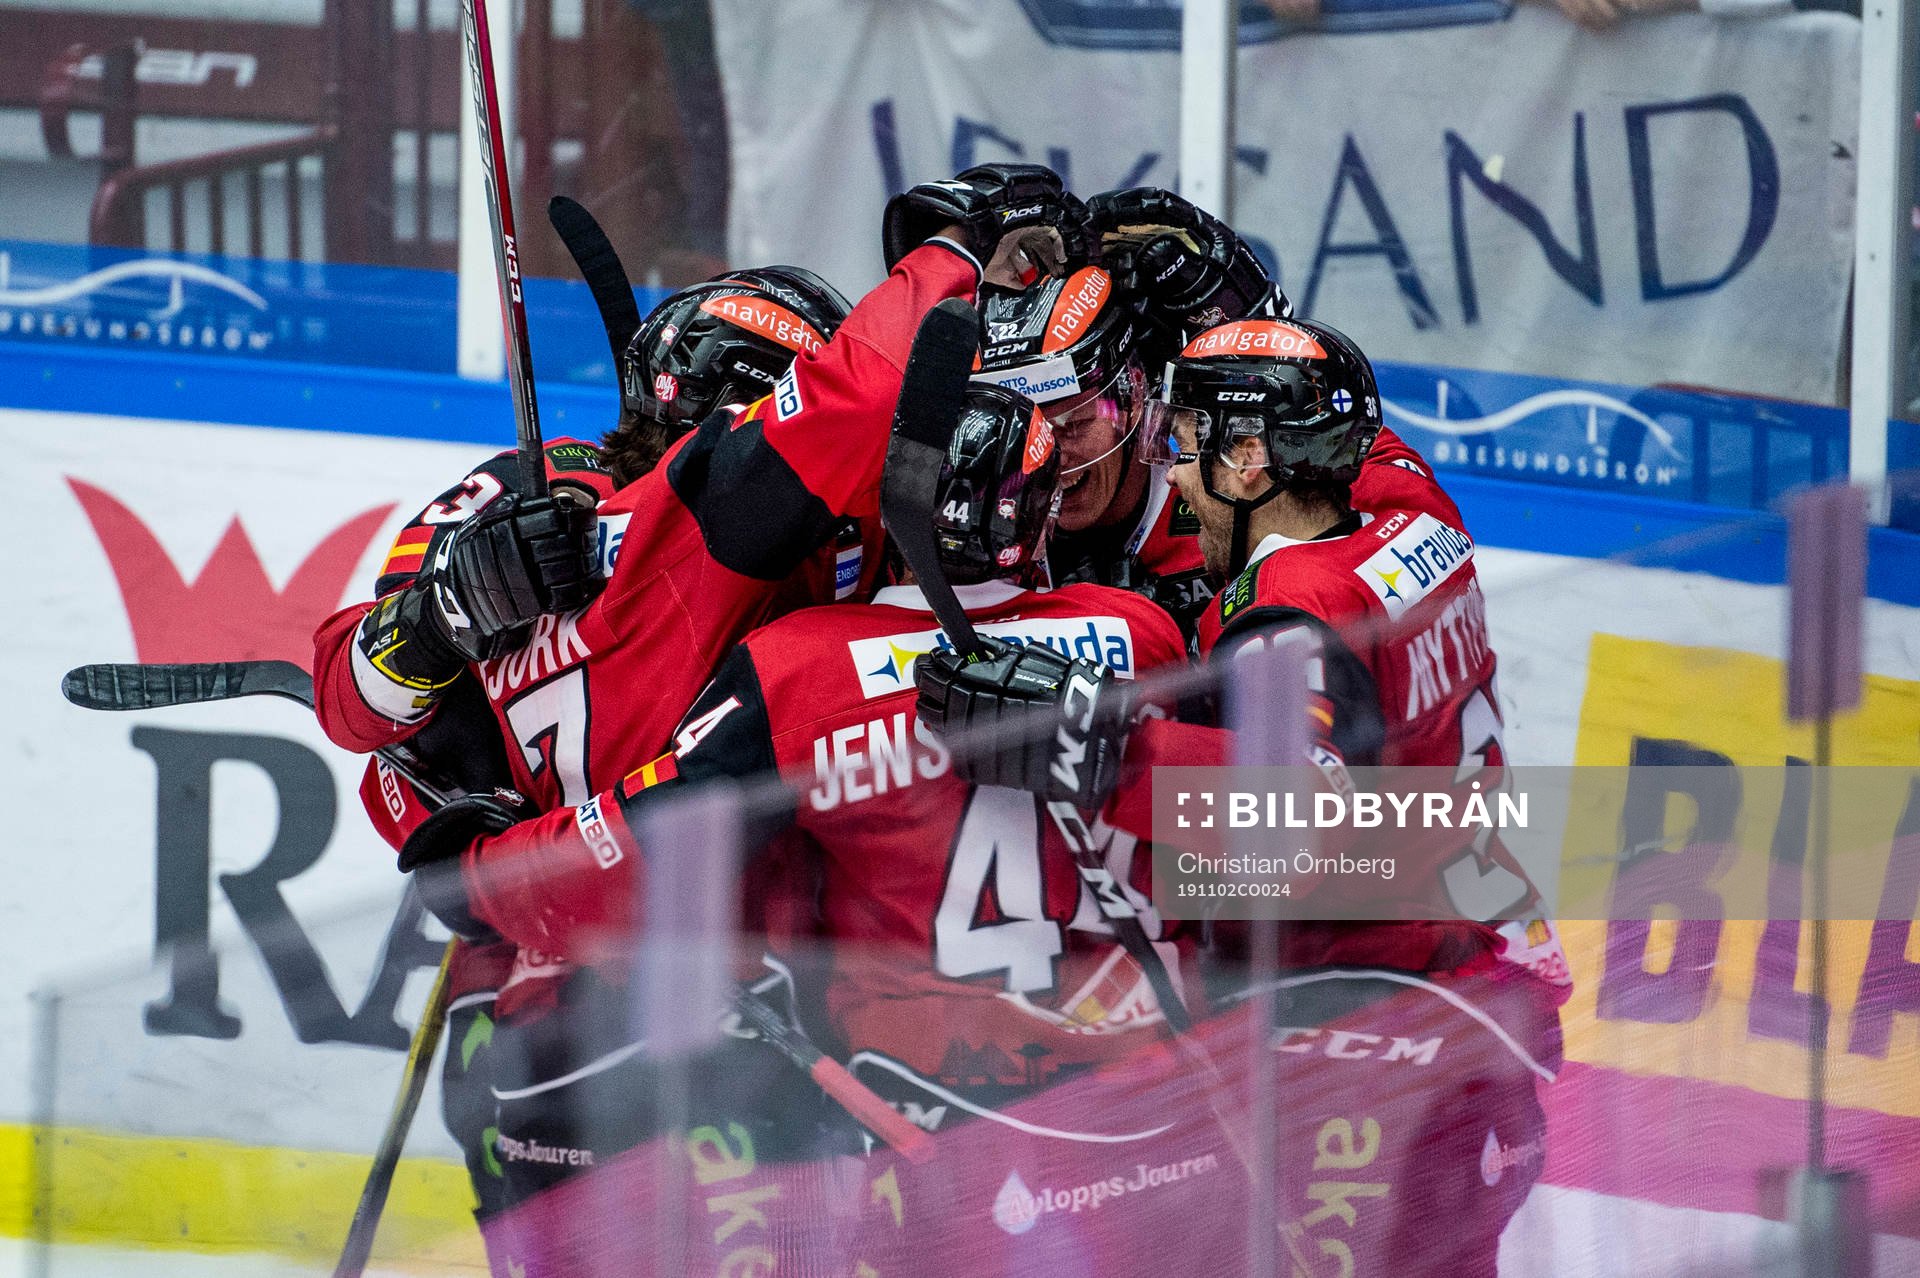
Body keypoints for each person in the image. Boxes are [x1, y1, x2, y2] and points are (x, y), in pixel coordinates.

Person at [329, 163, 1089, 1215]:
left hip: (667, 1010)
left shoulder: (807, 559)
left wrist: (475, 843)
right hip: (606, 1028)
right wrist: (436, 621)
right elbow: (363, 714)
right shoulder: (618, 514)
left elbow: (392, 772)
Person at [916, 313, 1568, 1275]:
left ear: (1252, 458)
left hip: (1367, 1044)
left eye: (1187, 446)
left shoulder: (1285, 619)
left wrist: (1087, 742)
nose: (1175, 481)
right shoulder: (1421, 526)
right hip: (1480, 997)